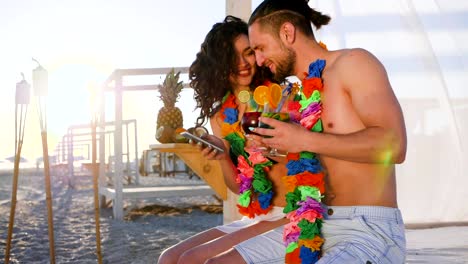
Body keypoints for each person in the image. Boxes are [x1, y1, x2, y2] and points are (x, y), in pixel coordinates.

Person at [231, 0, 406, 263]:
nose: (258, 60)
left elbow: (394, 146)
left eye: (260, 48)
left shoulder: (353, 63)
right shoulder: (300, 94)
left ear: (287, 33)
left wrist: (303, 138)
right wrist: (275, 149)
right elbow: (319, 159)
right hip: (313, 223)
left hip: (366, 228)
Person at [157, 15, 290, 264]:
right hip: (255, 215)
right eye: (231, 57)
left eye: (248, 52)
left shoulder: (280, 97)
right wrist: (221, 158)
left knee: (194, 260)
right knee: (169, 257)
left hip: (289, 213)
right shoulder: (220, 116)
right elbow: (238, 187)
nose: (241, 63)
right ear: (218, 64)